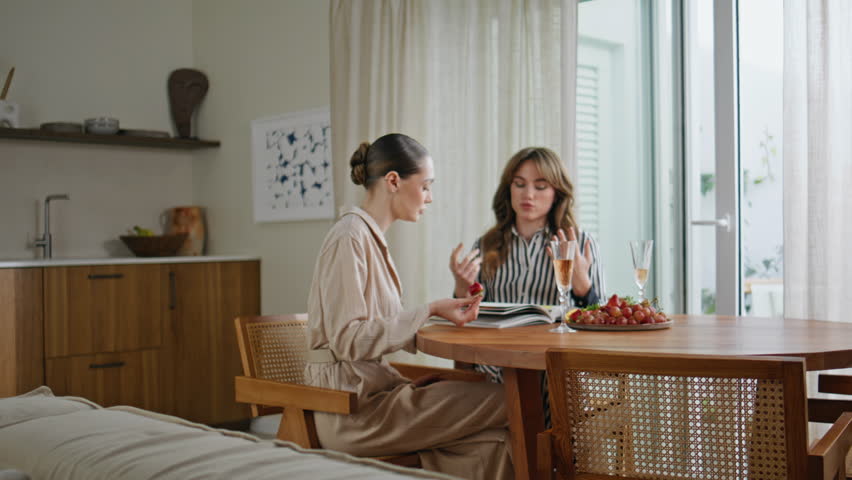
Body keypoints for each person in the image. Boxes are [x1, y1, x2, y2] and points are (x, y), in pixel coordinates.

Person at [305, 133, 514, 480]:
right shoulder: (349, 238)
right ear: (393, 181)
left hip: (377, 395)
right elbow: (347, 340)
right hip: (351, 411)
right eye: (426, 186)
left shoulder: (369, 238)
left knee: (495, 444)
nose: (430, 198)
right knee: (510, 401)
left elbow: (378, 331)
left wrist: (442, 313)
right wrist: (429, 310)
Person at [449, 146, 607, 425]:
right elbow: (466, 316)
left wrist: (583, 286)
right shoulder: (486, 245)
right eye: (519, 184)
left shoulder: (580, 244)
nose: (528, 194)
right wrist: (462, 289)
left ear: (557, 192)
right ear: (508, 190)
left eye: (540, 186)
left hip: (555, 375)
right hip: (497, 374)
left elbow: (602, 324)